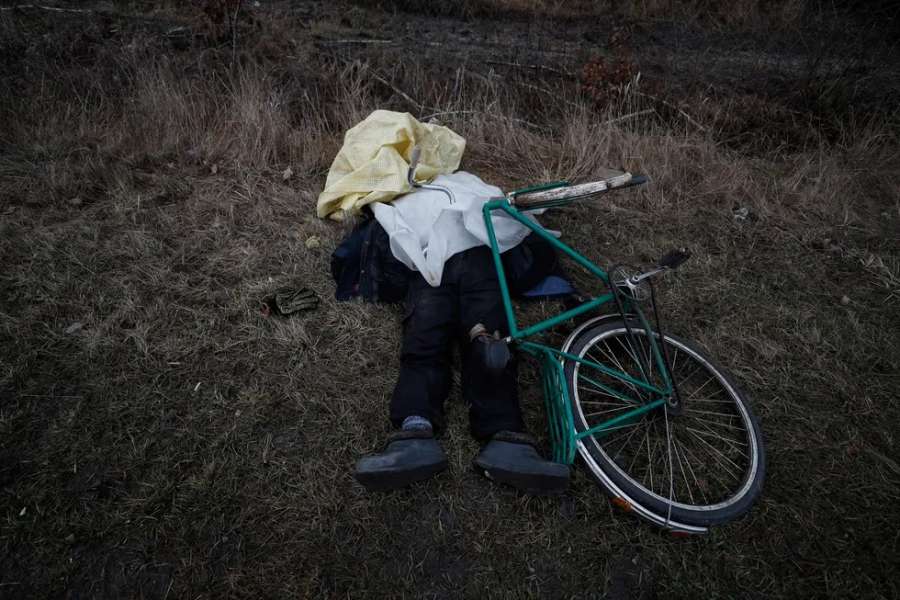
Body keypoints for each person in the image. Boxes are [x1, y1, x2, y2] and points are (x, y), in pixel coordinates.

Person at [352, 168, 570, 495]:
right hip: (428, 263)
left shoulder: (471, 182)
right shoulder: (401, 187)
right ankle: (415, 432)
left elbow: (509, 207)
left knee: (491, 342)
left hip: (479, 258)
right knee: (424, 338)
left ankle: (505, 436)